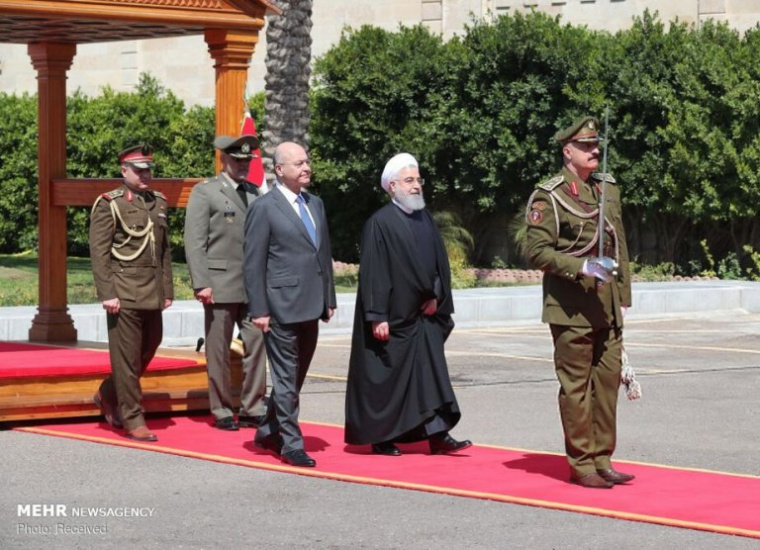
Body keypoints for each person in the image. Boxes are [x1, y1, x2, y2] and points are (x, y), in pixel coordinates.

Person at [524, 116, 634, 489]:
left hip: (605, 304)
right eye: (586, 146)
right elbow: (535, 250)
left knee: (605, 385)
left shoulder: (607, 189)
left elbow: (619, 242)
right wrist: (581, 266)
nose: (594, 151)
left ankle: (603, 458)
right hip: (571, 306)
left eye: (596, 145)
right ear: (567, 151)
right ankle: (582, 463)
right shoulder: (549, 195)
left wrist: (624, 298)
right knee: (576, 387)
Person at [344, 153, 472, 457]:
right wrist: (377, 315)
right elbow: (373, 272)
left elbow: (438, 265)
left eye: (418, 180)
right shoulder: (380, 223)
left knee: (431, 375)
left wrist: (435, 296)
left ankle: (437, 434)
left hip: (423, 315)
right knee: (386, 380)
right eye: (409, 181)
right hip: (393, 317)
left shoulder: (424, 217)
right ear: (392, 187)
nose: (416, 186)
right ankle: (381, 437)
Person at [243, 141, 336, 467]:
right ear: (280, 170)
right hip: (280, 306)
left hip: (311, 304)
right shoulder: (265, 207)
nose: (306, 167)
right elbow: (253, 262)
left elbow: (322, 253)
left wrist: (329, 297)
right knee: (285, 379)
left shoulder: (316, 204)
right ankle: (291, 445)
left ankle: (269, 430)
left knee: (295, 377)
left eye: (307, 161)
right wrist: (260, 309)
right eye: (298, 163)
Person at [89, 144, 173, 442]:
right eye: (139, 170)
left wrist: (167, 289)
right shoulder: (109, 203)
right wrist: (107, 293)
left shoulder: (158, 201)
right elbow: (99, 253)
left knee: (150, 345)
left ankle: (108, 392)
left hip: (151, 290)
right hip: (123, 292)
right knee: (126, 358)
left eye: (148, 169)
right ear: (124, 171)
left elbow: (163, 251)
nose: (145, 174)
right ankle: (133, 417)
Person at [184, 135, 268, 431]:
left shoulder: (255, 192)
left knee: (256, 345)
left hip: (252, 285)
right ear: (224, 160)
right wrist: (201, 282)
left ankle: (252, 406)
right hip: (219, 283)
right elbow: (194, 241)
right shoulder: (205, 192)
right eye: (237, 160)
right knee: (218, 349)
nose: (243, 166)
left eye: (247, 161)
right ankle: (221, 409)